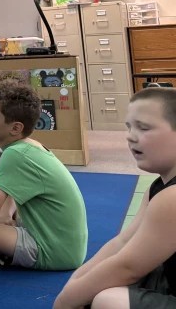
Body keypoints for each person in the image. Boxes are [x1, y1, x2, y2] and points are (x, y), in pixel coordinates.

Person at [54, 87, 176, 309]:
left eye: (143, 128)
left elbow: (128, 268)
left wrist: (64, 302)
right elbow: (123, 242)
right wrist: (76, 282)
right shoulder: (158, 187)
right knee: (93, 286)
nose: (130, 136)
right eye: (129, 127)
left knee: (108, 300)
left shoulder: (172, 198)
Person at [0, 80, 87, 270]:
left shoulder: (14, 155)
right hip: (68, 248)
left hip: (51, 251)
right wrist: (5, 210)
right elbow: (19, 188)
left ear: (15, 128)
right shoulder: (30, 146)